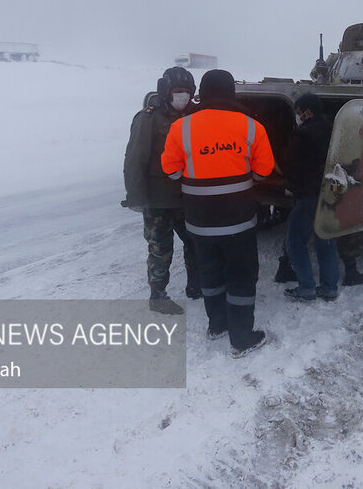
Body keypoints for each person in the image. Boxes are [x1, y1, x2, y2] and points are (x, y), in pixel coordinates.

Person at [161, 69, 275, 357]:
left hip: (199, 220)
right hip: (238, 219)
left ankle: (217, 326)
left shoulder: (181, 128)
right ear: (231, 92)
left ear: (202, 92)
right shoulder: (252, 127)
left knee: (210, 272)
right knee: (241, 273)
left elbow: (172, 171)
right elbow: (263, 171)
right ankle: (241, 337)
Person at [122, 67, 201, 314]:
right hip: (158, 199)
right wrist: (136, 196)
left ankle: (195, 285)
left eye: (187, 92)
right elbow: (135, 160)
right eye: (178, 92)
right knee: (160, 248)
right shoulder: (148, 119)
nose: (183, 97)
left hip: (186, 196)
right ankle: (158, 295)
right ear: (166, 91)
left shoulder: (193, 116)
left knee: (195, 242)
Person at [282, 93, 341, 301]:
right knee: (325, 240)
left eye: (299, 112)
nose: (298, 116)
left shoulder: (303, 134)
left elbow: (290, 165)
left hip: (307, 195)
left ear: (308, 112)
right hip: (329, 193)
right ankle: (329, 288)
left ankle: (306, 287)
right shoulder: (334, 130)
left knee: (295, 242)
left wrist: (289, 185)